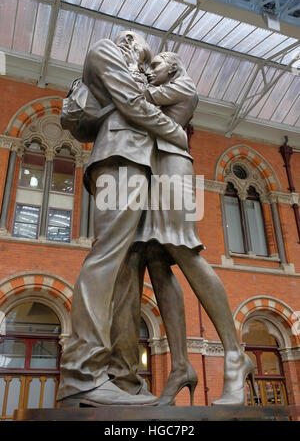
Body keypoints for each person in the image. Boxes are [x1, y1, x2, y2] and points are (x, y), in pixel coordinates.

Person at [113, 51, 256, 406]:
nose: (150, 69)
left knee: (182, 249)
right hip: (149, 170)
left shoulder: (183, 86)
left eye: (156, 64)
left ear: (173, 66)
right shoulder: (166, 85)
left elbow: (135, 97)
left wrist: (131, 69)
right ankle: (179, 366)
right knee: (154, 260)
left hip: (172, 168)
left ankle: (236, 355)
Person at [56, 32, 190, 407]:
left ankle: (125, 380)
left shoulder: (133, 67)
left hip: (140, 163)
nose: (145, 66)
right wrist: (175, 132)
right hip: (119, 157)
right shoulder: (104, 49)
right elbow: (131, 102)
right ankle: (82, 374)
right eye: (143, 57)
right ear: (129, 41)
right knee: (107, 258)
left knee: (128, 271)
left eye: (149, 63)